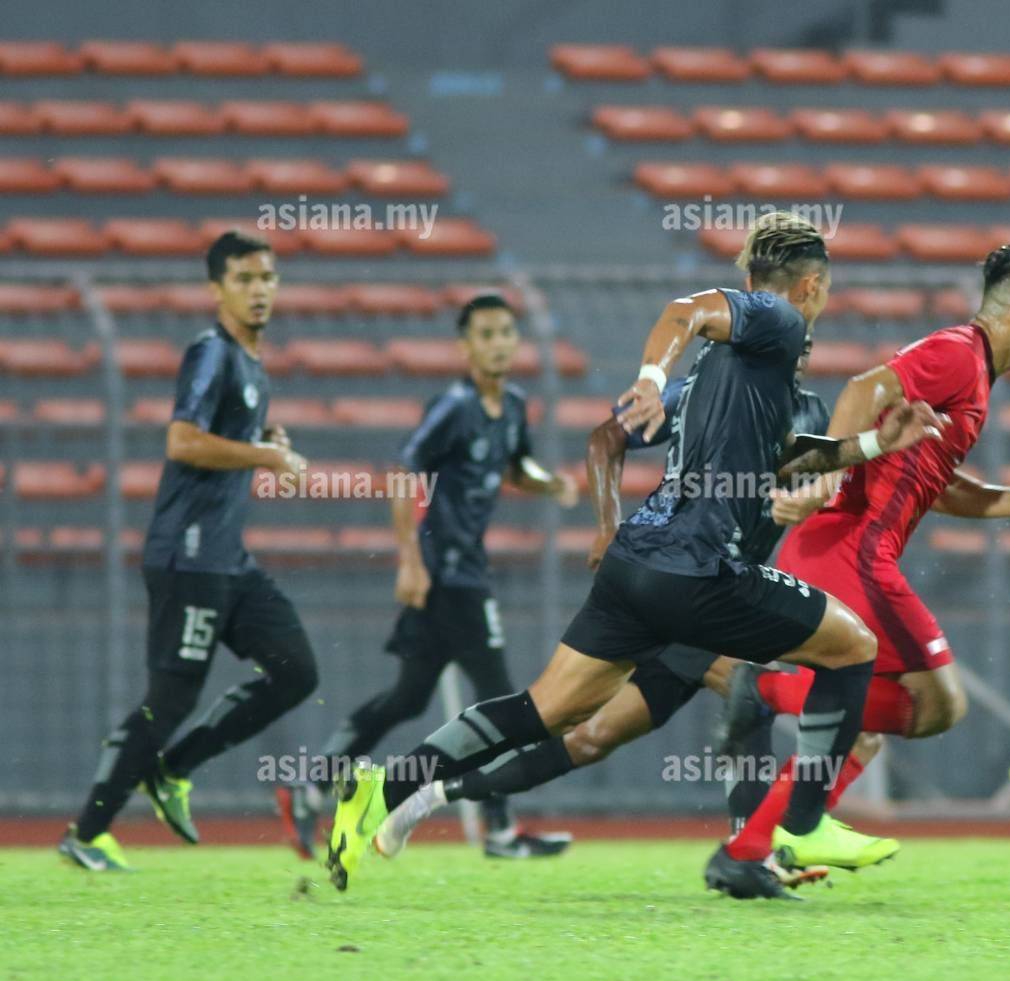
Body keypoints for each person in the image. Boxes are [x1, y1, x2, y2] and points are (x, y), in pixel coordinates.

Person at [323, 212, 945, 899]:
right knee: (853, 648)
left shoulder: (738, 371)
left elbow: (787, 457)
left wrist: (874, 445)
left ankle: (388, 787)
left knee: (545, 708)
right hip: (702, 571)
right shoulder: (779, 318)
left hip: (637, 564)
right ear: (812, 287)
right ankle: (799, 826)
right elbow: (685, 309)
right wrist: (649, 377)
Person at [369, 343, 860, 890]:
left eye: (806, 344)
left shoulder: (811, 412)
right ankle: (751, 855)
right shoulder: (706, 395)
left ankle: (432, 795)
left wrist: (826, 484)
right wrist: (607, 525)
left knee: (590, 739)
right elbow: (607, 438)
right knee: (747, 689)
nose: (797, 352)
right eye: (788, 340)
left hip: (722, 590)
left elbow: (823, 474)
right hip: (683, 579)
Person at [718, 244, 1010, 868]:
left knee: (864, 726)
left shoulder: (973, 375)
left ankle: (750, 853)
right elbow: (866, 388)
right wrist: (828, 476)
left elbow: (939, 486)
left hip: (834, 550)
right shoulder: (958, 353)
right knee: (936, 704)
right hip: (853, 553)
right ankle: (764, 690)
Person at [276, 293, 578, 861]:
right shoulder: (455, 407)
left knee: (408, 697)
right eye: (485, 334)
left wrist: (548, 482)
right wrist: (410, 561)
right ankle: (499, 827)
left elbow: (517, 466)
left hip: (464, 574)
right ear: (465, 347)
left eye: (505, 332)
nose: (498, 343)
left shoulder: (514, 405)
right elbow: (403, 471)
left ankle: (312, 784)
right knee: (502, 701)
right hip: (448, 577)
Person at [59, 231, 317, 871]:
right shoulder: (211, 352)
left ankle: (174, 769)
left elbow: (227, 435)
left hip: (228, 559)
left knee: (296, 671)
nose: (258, 290)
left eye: (267, 278)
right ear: (216, 289)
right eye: (243, 279)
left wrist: (263, 436)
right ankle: (86, 833)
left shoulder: (250, 363)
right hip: (189, 555)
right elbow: (182, 440)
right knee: (171, 697)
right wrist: (265, 453)